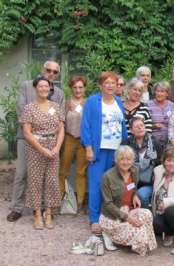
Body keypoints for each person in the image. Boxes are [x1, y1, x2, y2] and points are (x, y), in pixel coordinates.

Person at [7, 60, 65, 223]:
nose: (51, 74)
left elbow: (61, 118)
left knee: (49, 176)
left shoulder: (59, 93)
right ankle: (17, 208)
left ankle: (45, 209)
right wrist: (36, 134)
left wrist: (51, 138)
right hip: (27, 138)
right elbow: (21, 109)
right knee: (22, 173)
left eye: (55, 72)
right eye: (48, 70)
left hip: (50, 142)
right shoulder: (27, 86)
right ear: (42, 69)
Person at [80, 71, 128, 233]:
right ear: (100, 85)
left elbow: (122, 126)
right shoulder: (93, 101)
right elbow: (85, 125)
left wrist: (124, 146)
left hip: (116, 151)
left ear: (117, 86)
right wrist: (88, 147)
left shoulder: (119, 102)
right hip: (98, 150)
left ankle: (107, 215)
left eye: (113, 83)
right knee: (96, 184)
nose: (110, 86)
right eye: (106, 83)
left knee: (112, 185)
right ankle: (94, 219)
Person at [20, 77, 65, 229]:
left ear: (50, 88)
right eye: (41, 86)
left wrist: (57, 148)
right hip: (35, 148)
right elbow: (26, 133)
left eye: (47, 86)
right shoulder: (29, 108)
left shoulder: (56, 106)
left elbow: (61, 129)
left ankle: (49, 213)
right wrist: (42, 149)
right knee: (35, 181)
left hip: (53, 147)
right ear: (35, 88)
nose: (44, 89)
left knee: (52, 180)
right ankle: (38, 214)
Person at [99, 145, 157, 256]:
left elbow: (133, 187)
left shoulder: (134, 170)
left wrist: (135, 195)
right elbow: (108, 204)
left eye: (128, 159)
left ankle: (138, 239)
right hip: (113, 216)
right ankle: (109, 235)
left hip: (128, 210)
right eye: (122, 159)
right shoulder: (107, 177)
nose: (126, 162)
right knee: (139, 231)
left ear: (133, 160)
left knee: (148, 214)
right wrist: (127, 218)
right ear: (116, 160)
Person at [59, 75, 88, 213]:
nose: (77, 90)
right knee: (63, 171)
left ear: (84, 88)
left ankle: (80, 201)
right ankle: (61, 199)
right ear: (71, 88)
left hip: (83, 140)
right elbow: (60, 122)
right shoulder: (66, 103)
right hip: (69, 138)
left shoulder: (89, 103)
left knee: (81, 172)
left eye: (80, 87)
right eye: (75, 87)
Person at [123, 116, 160, 209]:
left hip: (150, 182)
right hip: (132, 181)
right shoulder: (126, 144)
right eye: (136, 126)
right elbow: (120, 165)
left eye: (142, 125)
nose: (140, 128)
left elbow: (161, 164)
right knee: (124, 191)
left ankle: (144, 217)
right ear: (131, 130)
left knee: (142, 194)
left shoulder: (155, 142)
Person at [146, 81, 174, 153]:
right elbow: (144, 124)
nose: (159, 94)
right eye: (157, 91)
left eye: (162, 91)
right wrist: (153, 126)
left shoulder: (172, 105)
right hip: (152, 140)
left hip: (168, 140)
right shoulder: (148, 104)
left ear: (167, 93)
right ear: (154, 92)